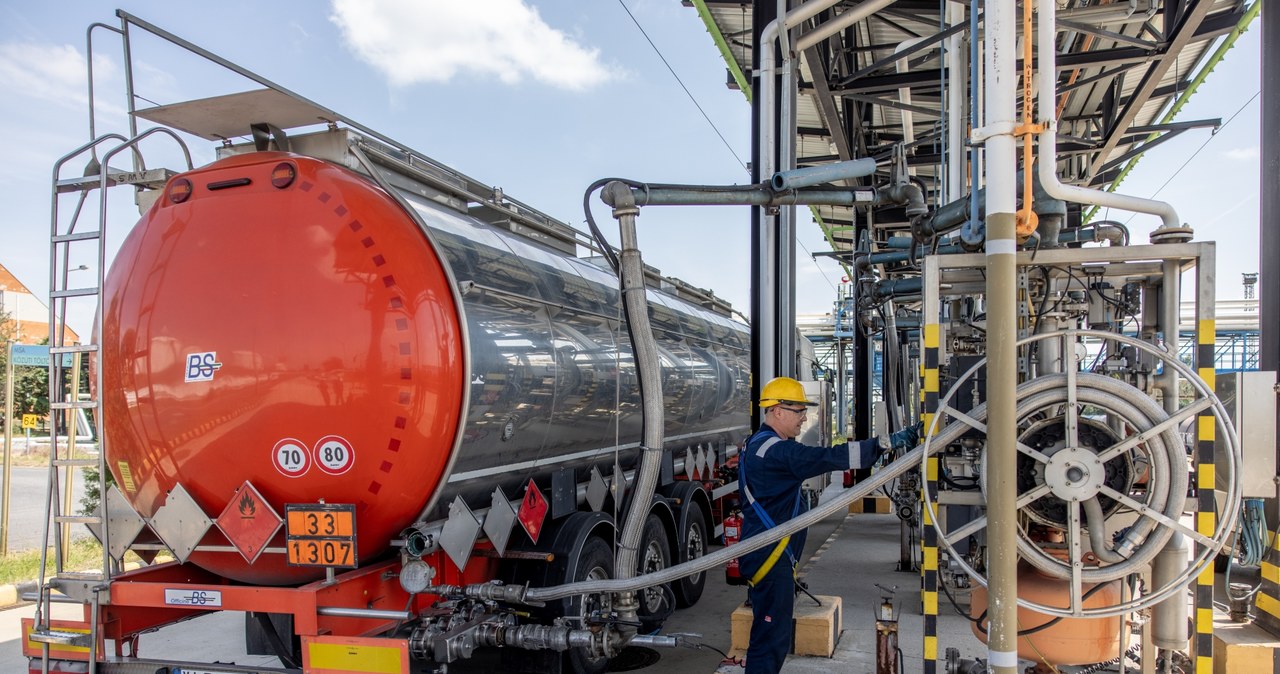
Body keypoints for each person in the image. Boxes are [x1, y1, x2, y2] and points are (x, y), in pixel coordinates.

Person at [737, 376, 918, 674]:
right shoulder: (776, 451)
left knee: (770, 632)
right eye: (798, 410)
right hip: (770, 555)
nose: (804, 417)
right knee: (771, 638)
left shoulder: (759, 443)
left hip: (769, 551)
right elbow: (829, 457)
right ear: (777, 411)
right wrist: (885, 443)